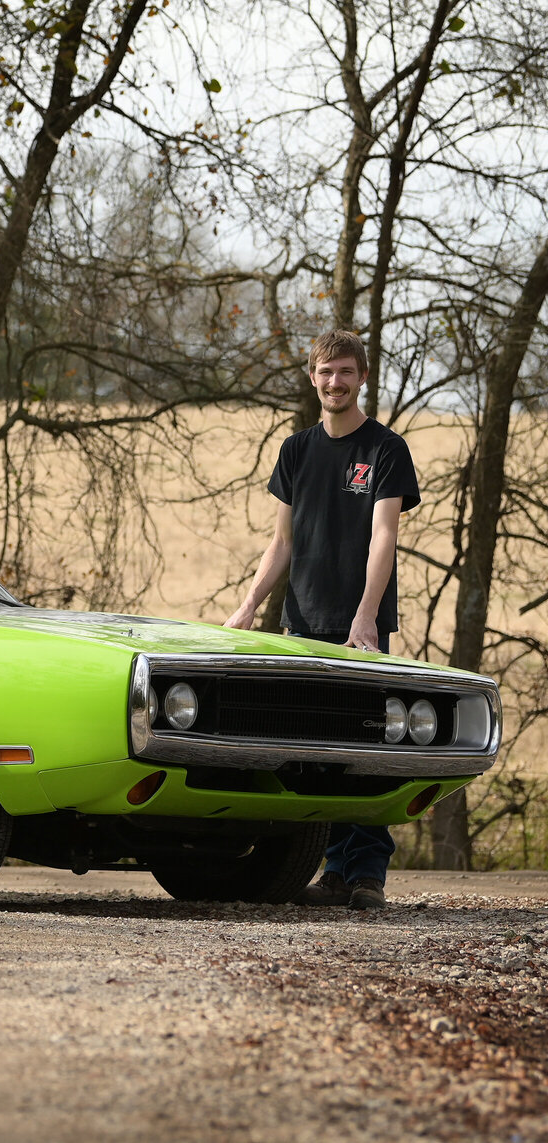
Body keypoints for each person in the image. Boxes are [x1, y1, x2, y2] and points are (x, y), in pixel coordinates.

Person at [225, 329, 420, 910]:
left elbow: (383, 538)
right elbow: (281, 543)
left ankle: (366, 876)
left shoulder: (385, 450)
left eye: (345, 372)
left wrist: (365, 616)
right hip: (302, 623)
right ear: (313, 379)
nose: (335, 383)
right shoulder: (296, 451)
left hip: (359, 626)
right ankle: (330, 872)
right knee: (312, 752)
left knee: (365, 749)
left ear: (362, 377)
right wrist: (250, 604)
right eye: (325, 373)